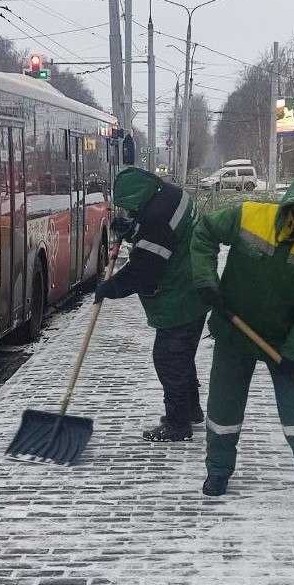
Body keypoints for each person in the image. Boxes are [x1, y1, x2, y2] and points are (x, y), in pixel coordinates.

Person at [191, 171, 294, 512]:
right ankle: (218, 471)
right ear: (293, 205)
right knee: (224, 409)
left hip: (283, 342)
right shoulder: (250, 215)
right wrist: (206, 281)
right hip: (235, 330)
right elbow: (203, 232)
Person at [95, 167, 210, 441]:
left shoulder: (156, 220)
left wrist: (109, 288)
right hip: (194, 288)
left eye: (130, 210)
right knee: (182, 357)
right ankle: (190, 410)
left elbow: (144, 272)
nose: (129, 213)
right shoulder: (169, 194)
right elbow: (158, 230)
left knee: (169, 359)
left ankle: (178, 425)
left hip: (180, 295)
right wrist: (133, 229)